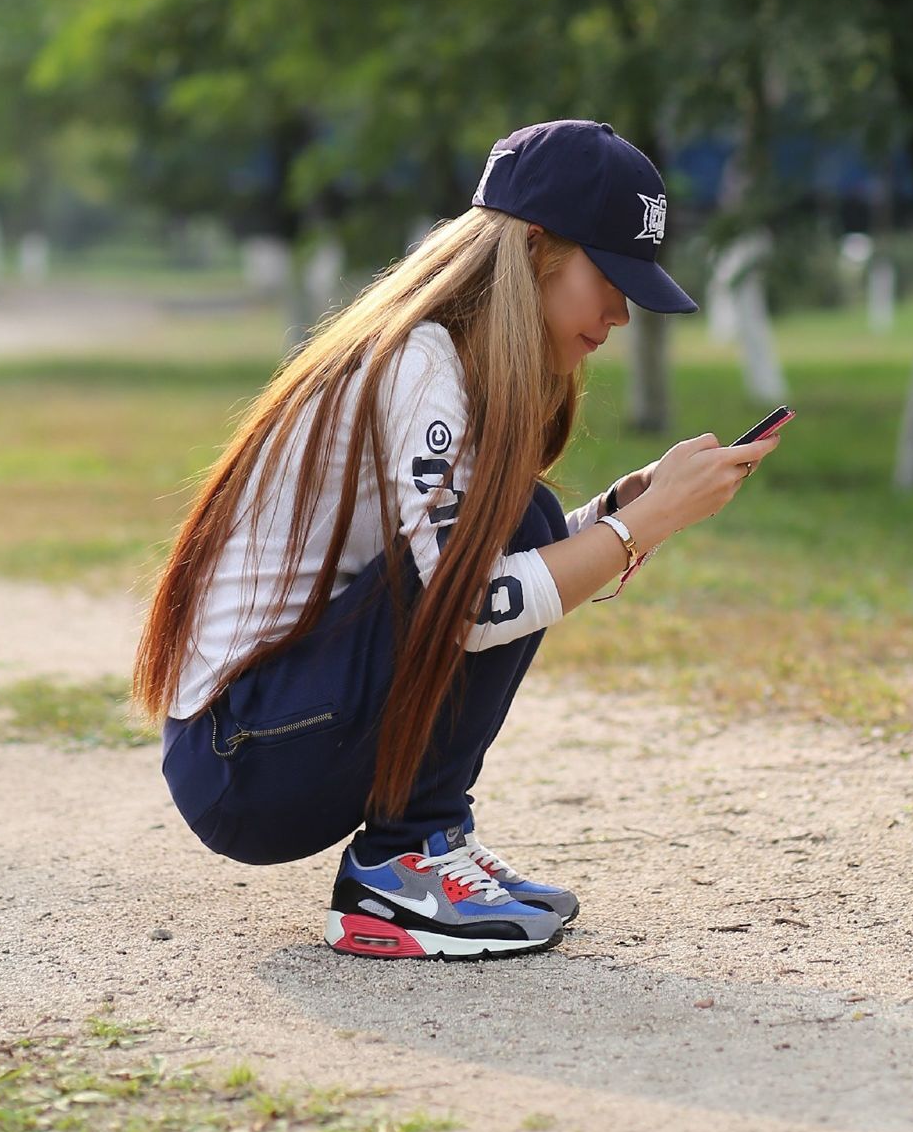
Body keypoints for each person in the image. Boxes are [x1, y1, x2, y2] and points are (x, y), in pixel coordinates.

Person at [133, 118, 782, 960]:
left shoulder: (440, 354)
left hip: (262, 734)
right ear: (537, 247)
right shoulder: (420, 361)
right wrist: (641, 526)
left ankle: (426, 843)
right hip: (242, 757)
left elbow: (482, 575)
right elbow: (469, 606)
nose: (621, 311)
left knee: (535, 517)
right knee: (522, 521)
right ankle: (404, 863)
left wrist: (621, 509)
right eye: (610, 276)